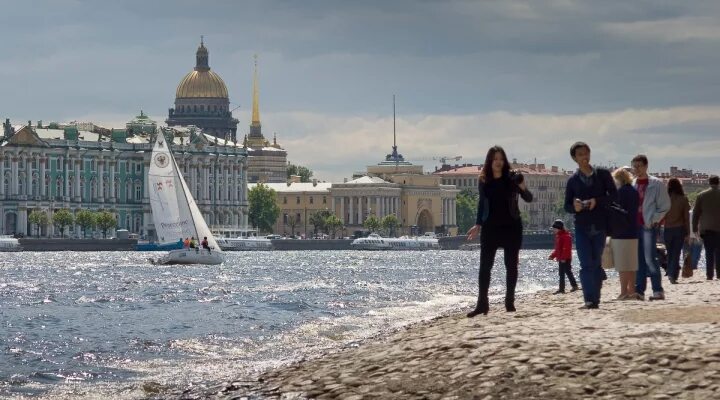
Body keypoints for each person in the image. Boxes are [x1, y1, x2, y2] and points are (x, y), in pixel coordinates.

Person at [466, 146, 533, 317]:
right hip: (490, 228)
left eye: (501, 159)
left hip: (512, 227)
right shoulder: (483, 180)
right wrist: (477, 224)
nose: (498, 162)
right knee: (484, 267)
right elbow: (482, 203)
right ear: (489, 161)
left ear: (504, 161)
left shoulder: (511, 178)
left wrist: (522, 185)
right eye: (495, 159)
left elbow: (529, 198)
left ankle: (509, 303)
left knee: (511, 266)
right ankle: (482, 304)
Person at [564, 142, 617, 309]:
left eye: (586, 153)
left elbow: (614, 195)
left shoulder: (602, 175)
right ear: (574, 158)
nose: (584, 157)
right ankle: (589, 299)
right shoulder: (572, 181)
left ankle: (595, 297)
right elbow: (567, 206)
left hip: (600, 225)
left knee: (595, 263)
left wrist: (597, 201)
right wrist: (576, 206)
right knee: (586, 263)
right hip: (581, 226)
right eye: (580, 154)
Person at [631, 155, 671, 300]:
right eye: (634, 166)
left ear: (646, 166)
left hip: (648, 226)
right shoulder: (633, 183)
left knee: (650, 258)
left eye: (639, 166)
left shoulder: (656, 184)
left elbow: (665, 205)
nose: (637, 169)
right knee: (639, 259)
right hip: (635, 226)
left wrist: (654, 220)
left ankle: (657, 290)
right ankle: (639, 291)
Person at [609, 168, 640, 300]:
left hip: (620, 232)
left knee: (622, 265)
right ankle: (632, 291)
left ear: (619, 179)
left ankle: (623, 292)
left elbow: (616, 212)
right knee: (632, 264)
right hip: (633, 231)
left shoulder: (619, 193)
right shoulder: (634, 191)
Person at [692, 175, 720, 280]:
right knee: (719, 252)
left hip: (706, 228)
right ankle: (719, 273)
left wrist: (694, 228)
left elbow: (696, 213)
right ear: (719, 182)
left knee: (709, 252)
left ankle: (709, 274)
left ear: (709, 182)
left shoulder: (701, 195)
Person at [663, 178, 690, 284]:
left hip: (667, 228)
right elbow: (686, 218)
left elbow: (661, 215)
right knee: (676, 252)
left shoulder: (665, 199)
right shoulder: (683, 199)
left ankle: (671, 273)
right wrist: (688, 232)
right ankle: (672, 274)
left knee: (669, 252)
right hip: (679, 228)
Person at [548, 219, 578, 294]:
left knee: (567, 272)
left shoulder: (566, 236)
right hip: (561, 258)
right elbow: (558, 249)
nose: (553, 230)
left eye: (554, 229)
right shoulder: (559, 236)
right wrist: (552, 256)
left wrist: (564, 258)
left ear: (559, 228)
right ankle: (564, 288)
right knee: (563, 273)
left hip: (566, 258)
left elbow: (566, 249)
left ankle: (571, 287)